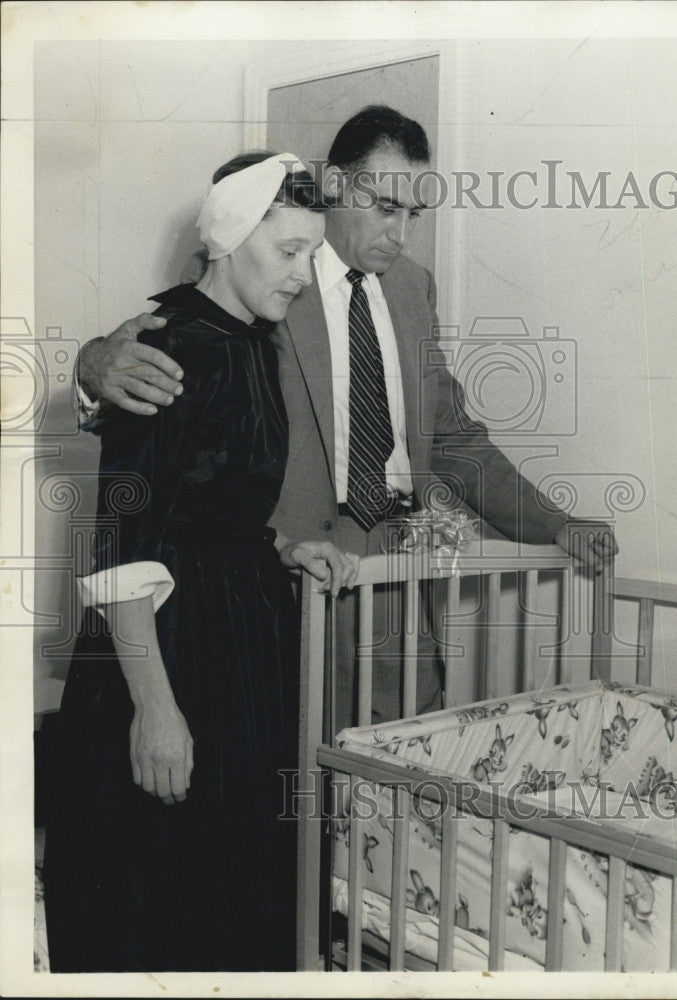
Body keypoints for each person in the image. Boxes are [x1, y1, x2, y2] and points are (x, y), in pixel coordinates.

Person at [76, 106, 617, 731]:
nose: (400, 234)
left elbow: (452, 437)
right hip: (284, 578)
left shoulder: (414, 288)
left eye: (412, 214)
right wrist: (91, 370)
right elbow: (172, 360)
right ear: (333, 184)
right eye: (385, 207)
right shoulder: (268, 271)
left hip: (394, 574)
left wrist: (555, 523)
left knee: (403, 768)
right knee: (300, 784)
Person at [43, 151, 360, 972]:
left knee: (241, 878)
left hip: (239, 636)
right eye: (286, 251)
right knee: (161, 889)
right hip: (168, 650)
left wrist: (286, 547)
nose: (299, 275)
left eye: (309, 255)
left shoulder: (253, 337)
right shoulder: (166, 350)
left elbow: (213, 505)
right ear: (227, 241)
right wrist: (154, 709)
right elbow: (121, 549)